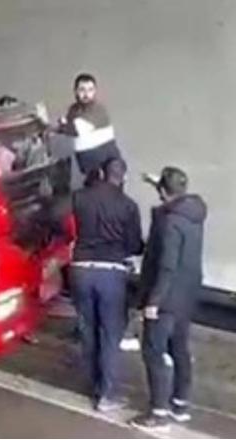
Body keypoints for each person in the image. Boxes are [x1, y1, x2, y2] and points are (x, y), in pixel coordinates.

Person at [131, 167, 207, 432]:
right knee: (180, 349)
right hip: (187, 296)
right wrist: (158, 184)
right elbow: (172, 199)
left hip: (165, 298)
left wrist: (153, 301)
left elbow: (166, 265)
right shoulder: (194, 213)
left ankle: (158, 413)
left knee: (154, 351)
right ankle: (180, 405)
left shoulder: (169, 222)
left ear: (164, 192)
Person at [70, 158, 143, 411]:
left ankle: (94, 384)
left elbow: (59, 218)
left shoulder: (80, 197)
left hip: (80, 270)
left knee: (88, 329)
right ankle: (106, 394)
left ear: (101, 173)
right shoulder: (128, 206)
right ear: (123, 177)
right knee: (110, 334)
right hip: (110, 273)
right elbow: (135, 246)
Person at [59, 73, 122, 178]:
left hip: (109, 164)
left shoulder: (99, 110)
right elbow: (69, 128)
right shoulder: (73, 110)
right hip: (89, 167)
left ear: (95, 91)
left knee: (111, 181)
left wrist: (59, 126)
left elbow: (76, 129)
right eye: (82, 90)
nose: (86, 94)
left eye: (90, 90)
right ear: (75, 91)